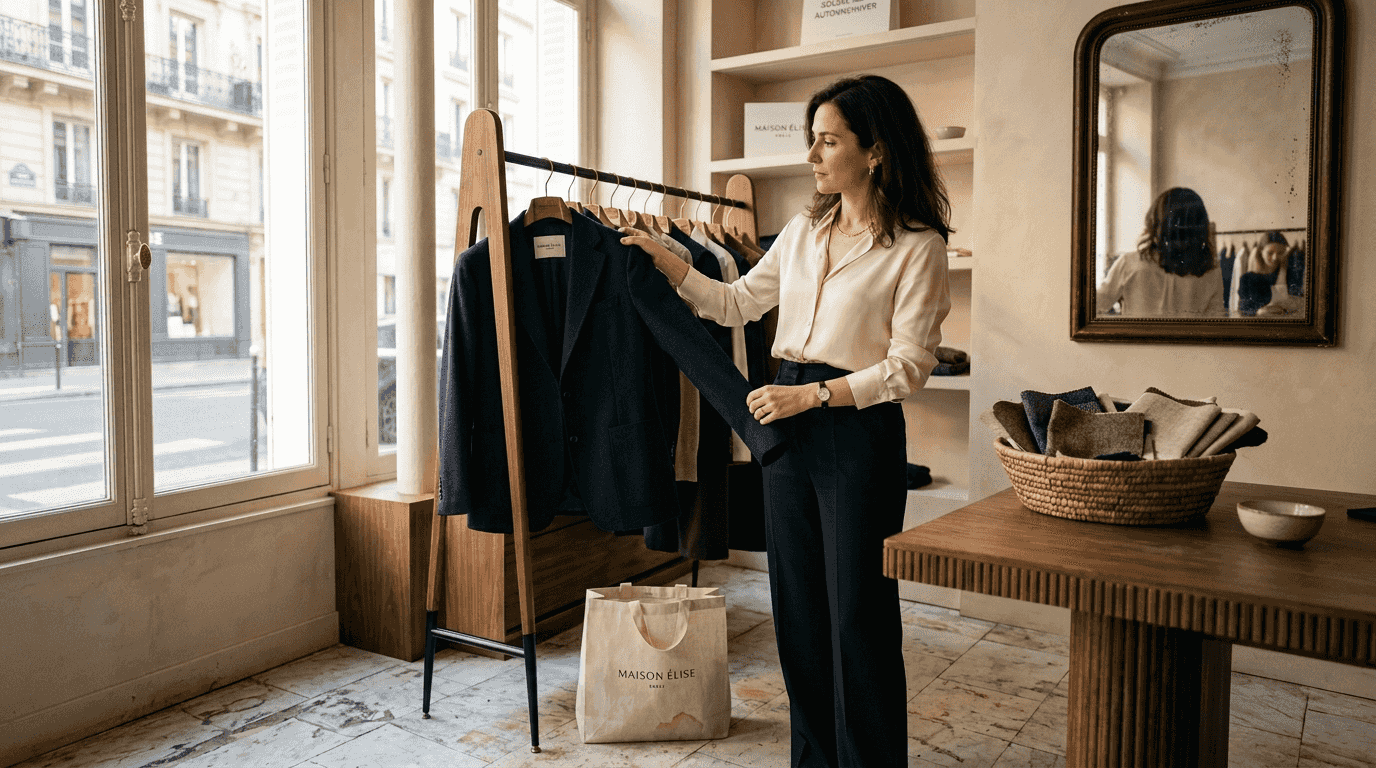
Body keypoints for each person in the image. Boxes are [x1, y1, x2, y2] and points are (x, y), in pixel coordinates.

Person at [622, 74, 952, 768]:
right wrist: (670, 261)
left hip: (855, 430)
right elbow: (736, 302)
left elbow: (910, 365)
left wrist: (817, 397)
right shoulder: (803, 230)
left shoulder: (918, 246)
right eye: (813, 139)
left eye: (828, 141)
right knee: (799, 610)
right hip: (784, 424)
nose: (813, 155)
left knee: (856, 612)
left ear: (875, 151)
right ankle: (814, 759)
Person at [1096, 187, 1224, 317]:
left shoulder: (1129, 264)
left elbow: (1095, 305)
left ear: (1156, 222)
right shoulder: (1211, 271)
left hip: (1134, 337)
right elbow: (1216, 325)